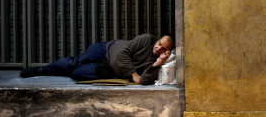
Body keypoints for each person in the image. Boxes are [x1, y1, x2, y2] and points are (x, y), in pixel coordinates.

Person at [20, 34, 173, 85]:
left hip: (107, 69)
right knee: (76, 62)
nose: (159, 48)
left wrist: (158, 62)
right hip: (106, 49)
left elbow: (145, 80)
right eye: (159, 44)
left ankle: (61, 70)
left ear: (167, 52)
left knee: (75, 74)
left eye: (164, 49)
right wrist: (133, 74)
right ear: (158, 40)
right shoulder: (147, 39)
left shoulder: (158, 62)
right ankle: (43, 70)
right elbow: (122, 53)